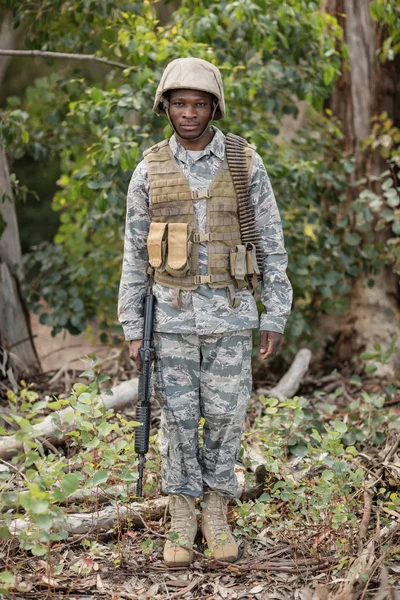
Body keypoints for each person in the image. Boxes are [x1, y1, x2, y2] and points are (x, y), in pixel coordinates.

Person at [118, 57, 292, 567]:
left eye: (198, 104)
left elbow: (272, 243)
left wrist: (274, 313)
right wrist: (133, 322)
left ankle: (215, 512)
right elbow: (132, 254)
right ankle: (180, 517)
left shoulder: (244, 162)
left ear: (213, 106)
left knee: (225, 417)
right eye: (179, 104)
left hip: (232, 318)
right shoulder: (149, 167)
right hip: (168, 320)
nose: (188, 113)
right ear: (165, 107)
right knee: (175, 420)